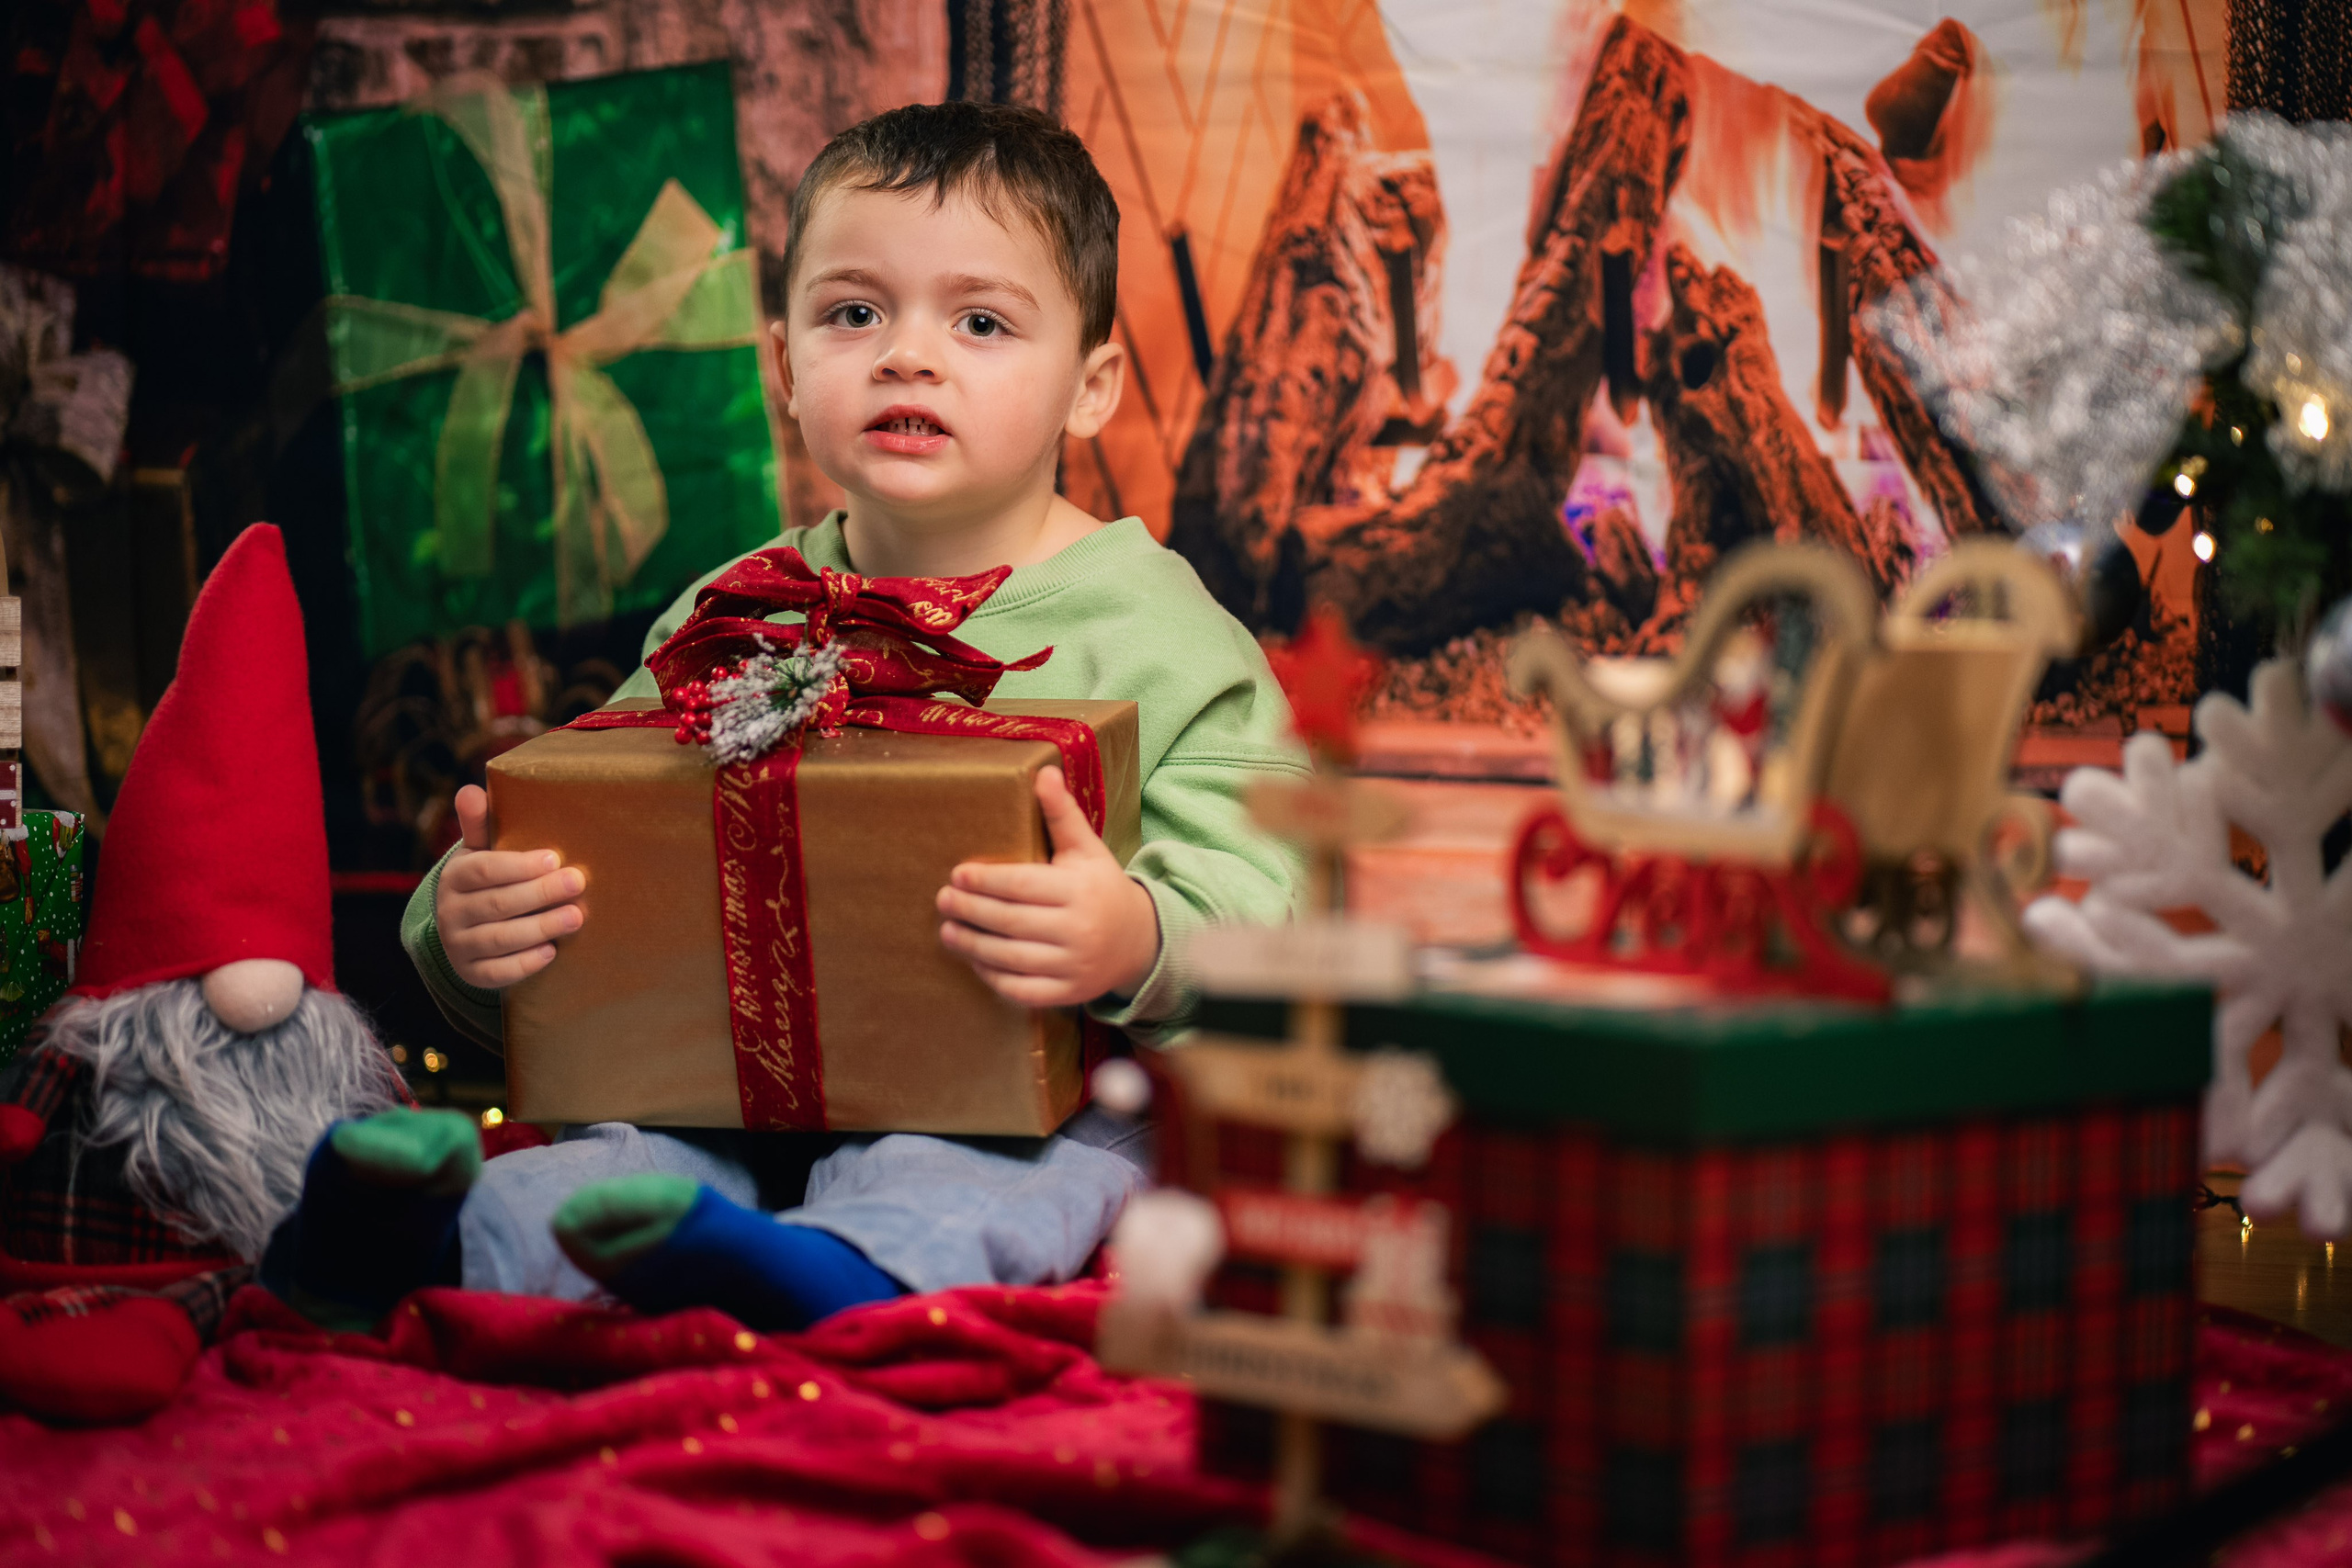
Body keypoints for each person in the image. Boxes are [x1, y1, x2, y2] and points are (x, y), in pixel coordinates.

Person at [262, 100, 1308, 1335]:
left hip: (1028, 1096)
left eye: (979, 321)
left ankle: (841, 1268)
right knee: (623, 1154)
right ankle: (427, 1240)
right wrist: (468, 917)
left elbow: (1275, 903)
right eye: (854, 313)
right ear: (783, 367)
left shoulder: (1167, 636)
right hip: (722, 1091)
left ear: (1093, 389)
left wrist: (1135, 934)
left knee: (1029, 1160)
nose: (907, 356)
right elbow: (595, 842)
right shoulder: (727, 614)